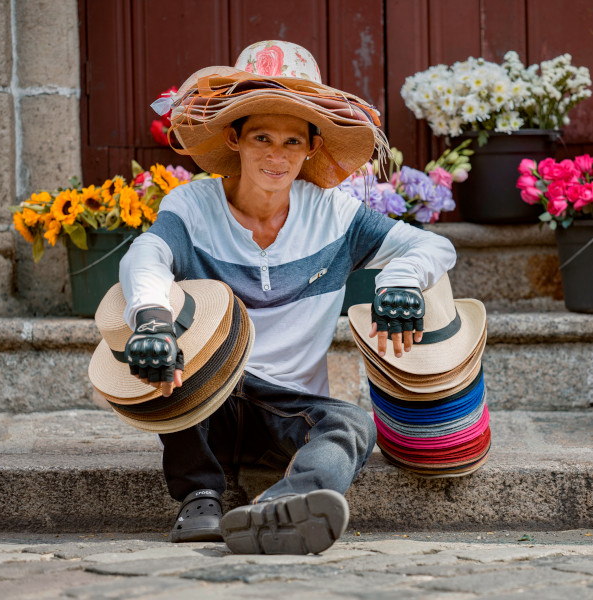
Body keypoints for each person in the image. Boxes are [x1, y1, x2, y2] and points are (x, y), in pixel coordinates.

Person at [119, 41, 456, 555]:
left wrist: (402, 281)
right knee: (169, 367)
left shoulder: (334, 215)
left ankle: (277, 511)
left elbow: (432, 244)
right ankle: (200, 499)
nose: (276, 156)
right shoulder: (192, 205)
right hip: (208, 393)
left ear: (312, 147)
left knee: (352, 424)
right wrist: (150, 320)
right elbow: (146, 255)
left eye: (291, 141)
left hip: (290, 410)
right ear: (233, 138)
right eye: (261, 137)